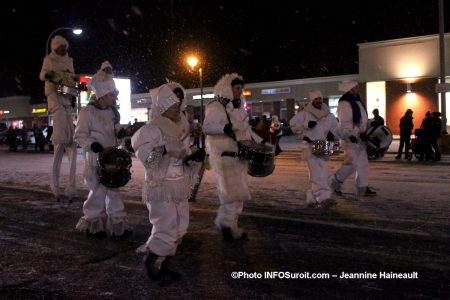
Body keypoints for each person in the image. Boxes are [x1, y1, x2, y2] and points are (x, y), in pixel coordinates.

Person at [131, 84, 203, 280]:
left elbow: (182, 156)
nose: (176, 107)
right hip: (160, 187)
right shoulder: (151, 129)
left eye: (178, 102)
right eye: (171, 103)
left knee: (180, 226)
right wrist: (163, 148)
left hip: (179, 184)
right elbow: (148, 160)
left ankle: (164, 264)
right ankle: (151, 262)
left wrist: (192, 158)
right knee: (166, 226)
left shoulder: (182, 126)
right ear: (161, 104)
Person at [203, 73, 264, 242]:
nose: (240, 92)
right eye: (237, 88)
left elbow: (245, 130)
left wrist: (261, 142)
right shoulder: (216, 106)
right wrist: (228, 127)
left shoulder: (237, 107)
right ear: (227, 88)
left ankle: (229, 225)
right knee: (232, 194)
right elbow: (207, 127)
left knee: (237, 194)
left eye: (241, 89)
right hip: (225, 156)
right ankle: (227, 226)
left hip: (239, 156)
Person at [74, 72, 132, 238]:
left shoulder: (112, 111)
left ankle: (118, 223)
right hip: (96, 157)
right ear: (102, 95)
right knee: (98, 190)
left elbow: (114, 129)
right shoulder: (87, 112)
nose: (114, 97)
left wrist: (120, 132)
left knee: (114, 189)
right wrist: (92, 144)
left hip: (112, 157)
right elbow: (79, 135)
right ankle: (93, 222)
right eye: (111, 94)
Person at [290, 90, 344, 208]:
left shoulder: (328, 115)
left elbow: (338, 130)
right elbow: (292, 125)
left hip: (322, 145)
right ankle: (324, 197)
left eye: (320, 98)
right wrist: (305, 125)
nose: (319, 101)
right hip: (309, 146)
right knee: (316, 173)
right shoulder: (305, 113)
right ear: (311, 101)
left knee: (323, 172)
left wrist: (350, 136)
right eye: (316, 99)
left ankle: (312, 196)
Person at [39, 35, 77, 201]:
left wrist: (71, 86)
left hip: (66, 97)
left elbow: (72, 78)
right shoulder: (49, 59)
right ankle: (60, 139)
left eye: (64, 47)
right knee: (61, 133)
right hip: (55, 97)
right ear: (55, 47)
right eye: (60, 47)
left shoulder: (69, 60)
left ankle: (71, 186)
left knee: (72, 148)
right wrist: (50, 76)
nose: (63, 50)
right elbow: (42, 75)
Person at [328, 80, 377, 197]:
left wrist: (370, 124)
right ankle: (334, 182)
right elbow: (345, 123)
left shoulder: (356, 101)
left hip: (361, 138)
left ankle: (362, 187)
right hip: (352, 139)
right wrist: (351, 136)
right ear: (349, 88)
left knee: (362, 164)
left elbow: (362, 119)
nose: (357, 88)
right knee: (351, 164)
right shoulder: (345, 103)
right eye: (355, 86)